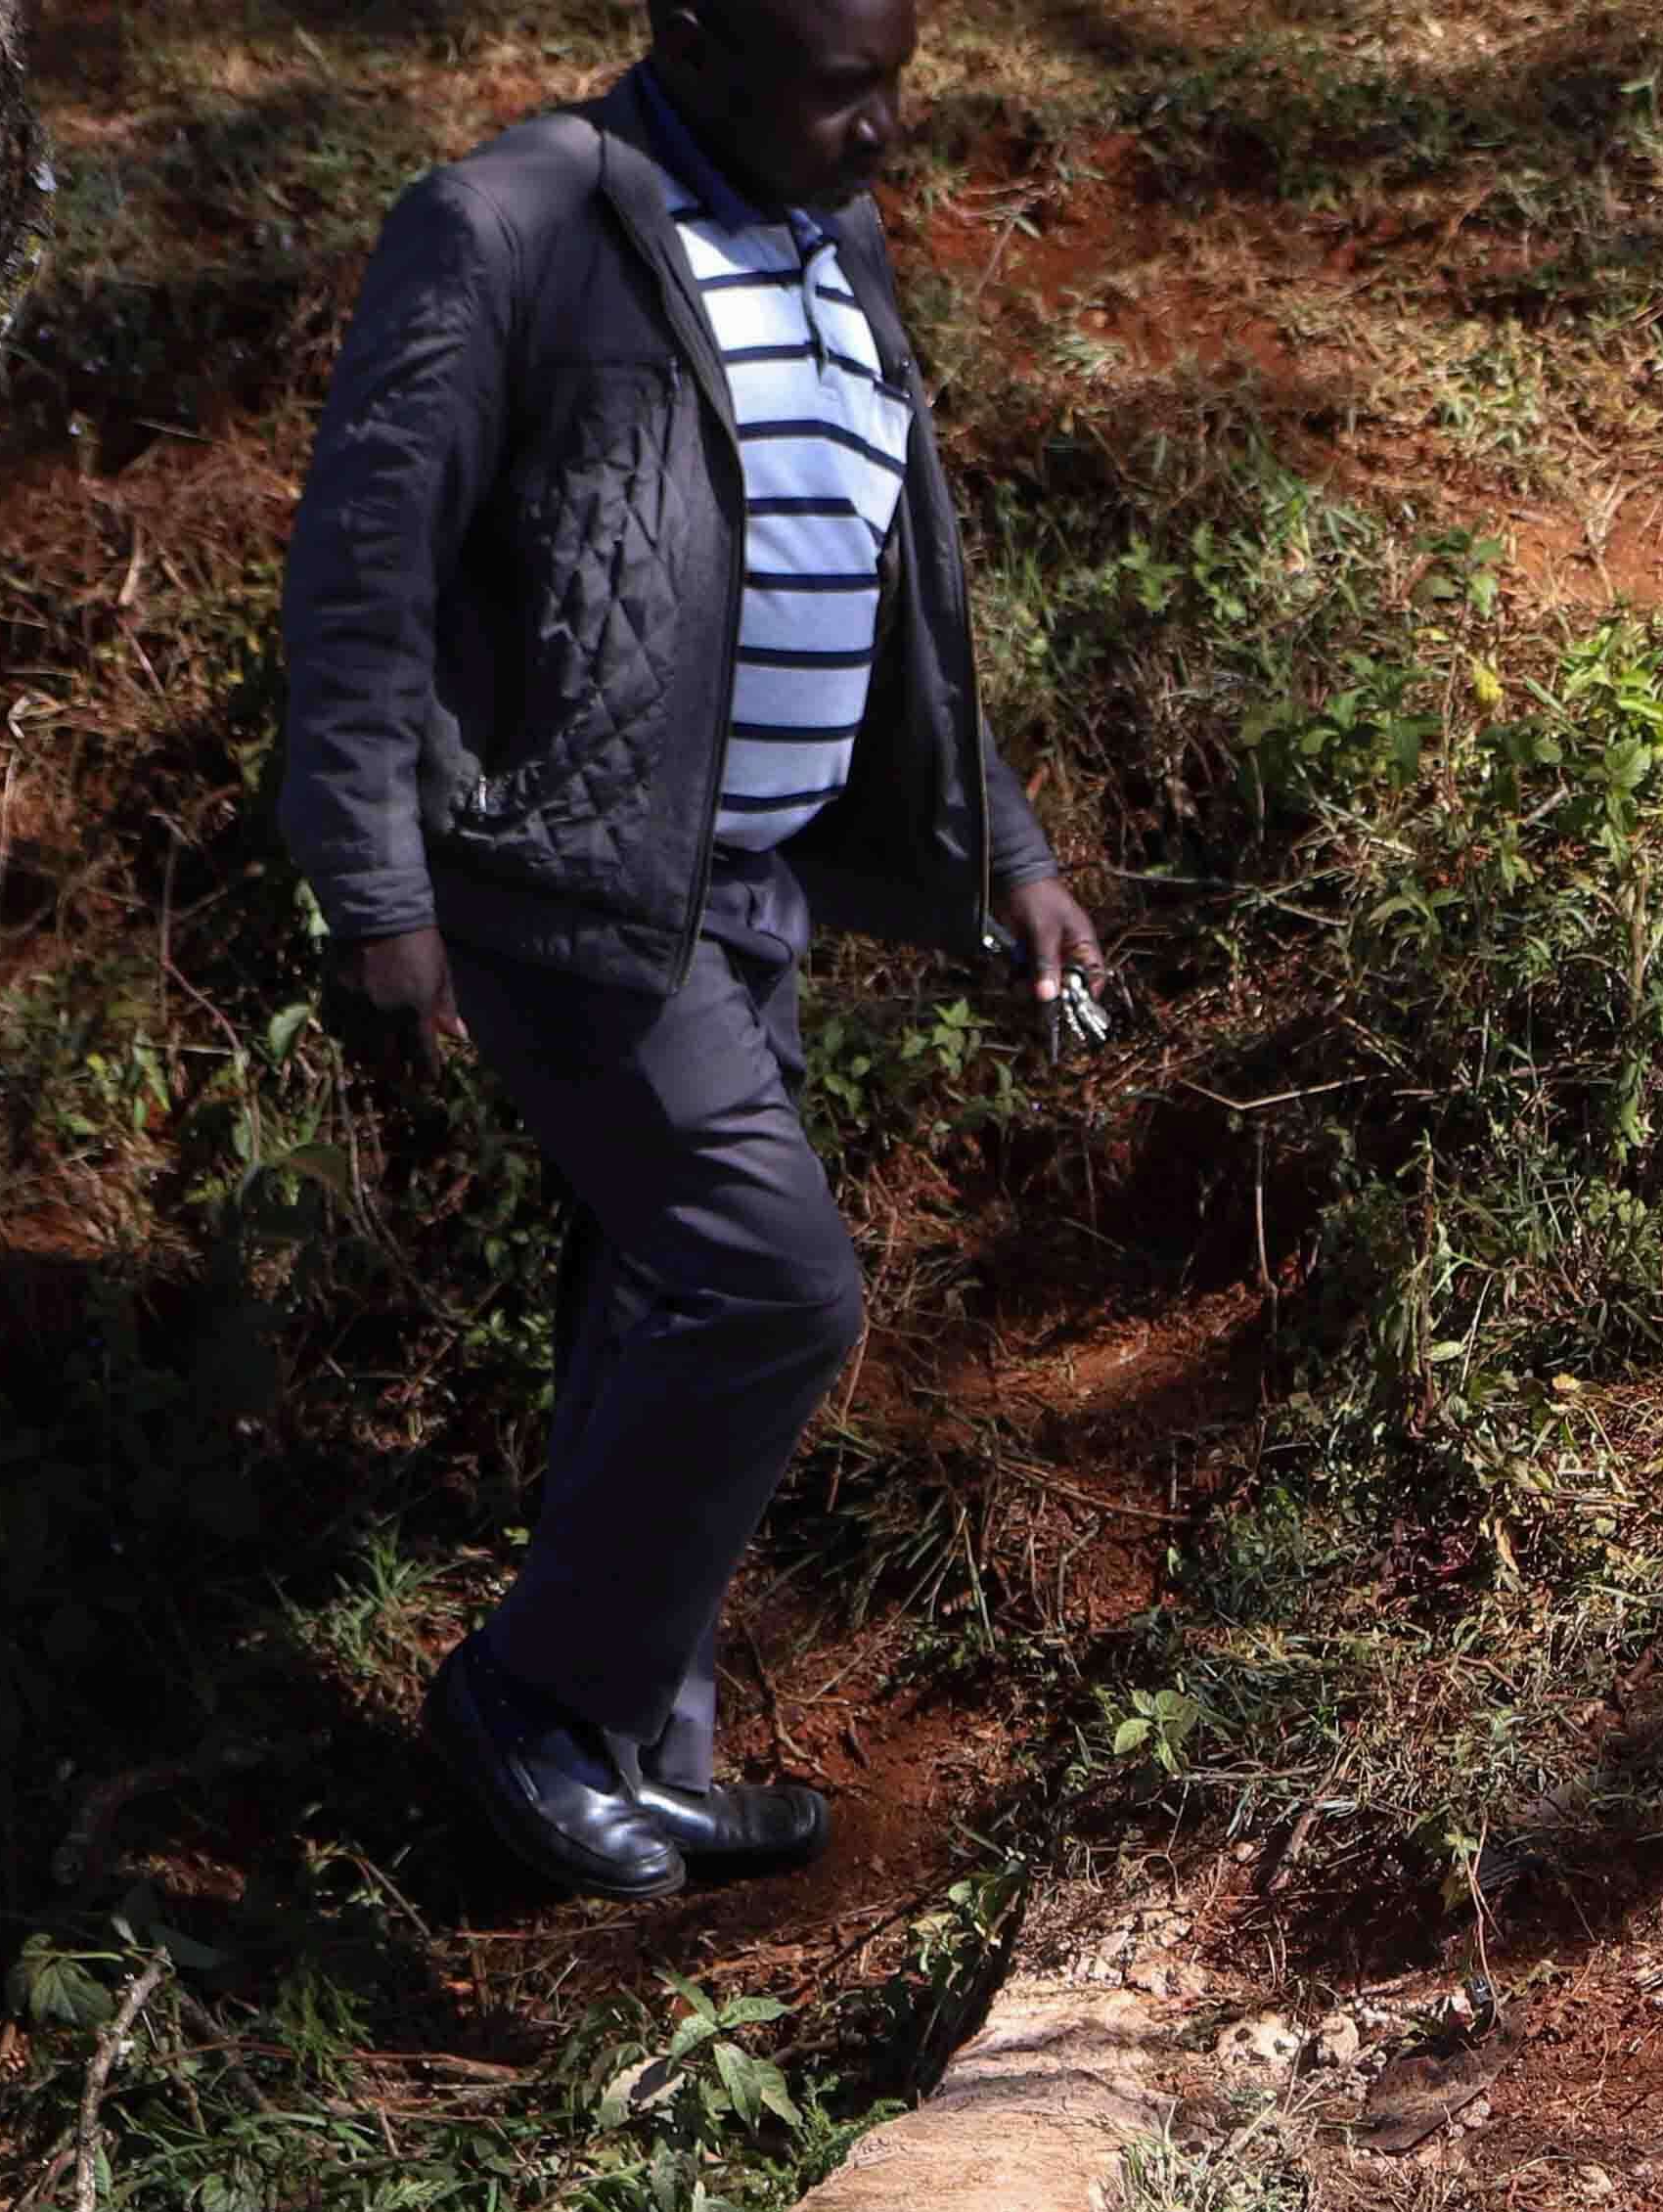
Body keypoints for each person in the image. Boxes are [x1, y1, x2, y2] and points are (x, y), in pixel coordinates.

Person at [279, 0, 1101, 1900]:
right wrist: (377, 889)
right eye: (840, 88)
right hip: (568, 885)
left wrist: (1011, 854)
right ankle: (532, 1705)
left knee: (651, 1305)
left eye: (901, 79)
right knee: (774, 1282)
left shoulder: (834, 241)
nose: (883, 128)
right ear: (696, 42)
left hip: (752, 896)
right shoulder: (518, 223)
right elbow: (363, 570)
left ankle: (634, 1765)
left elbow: (872, 575)